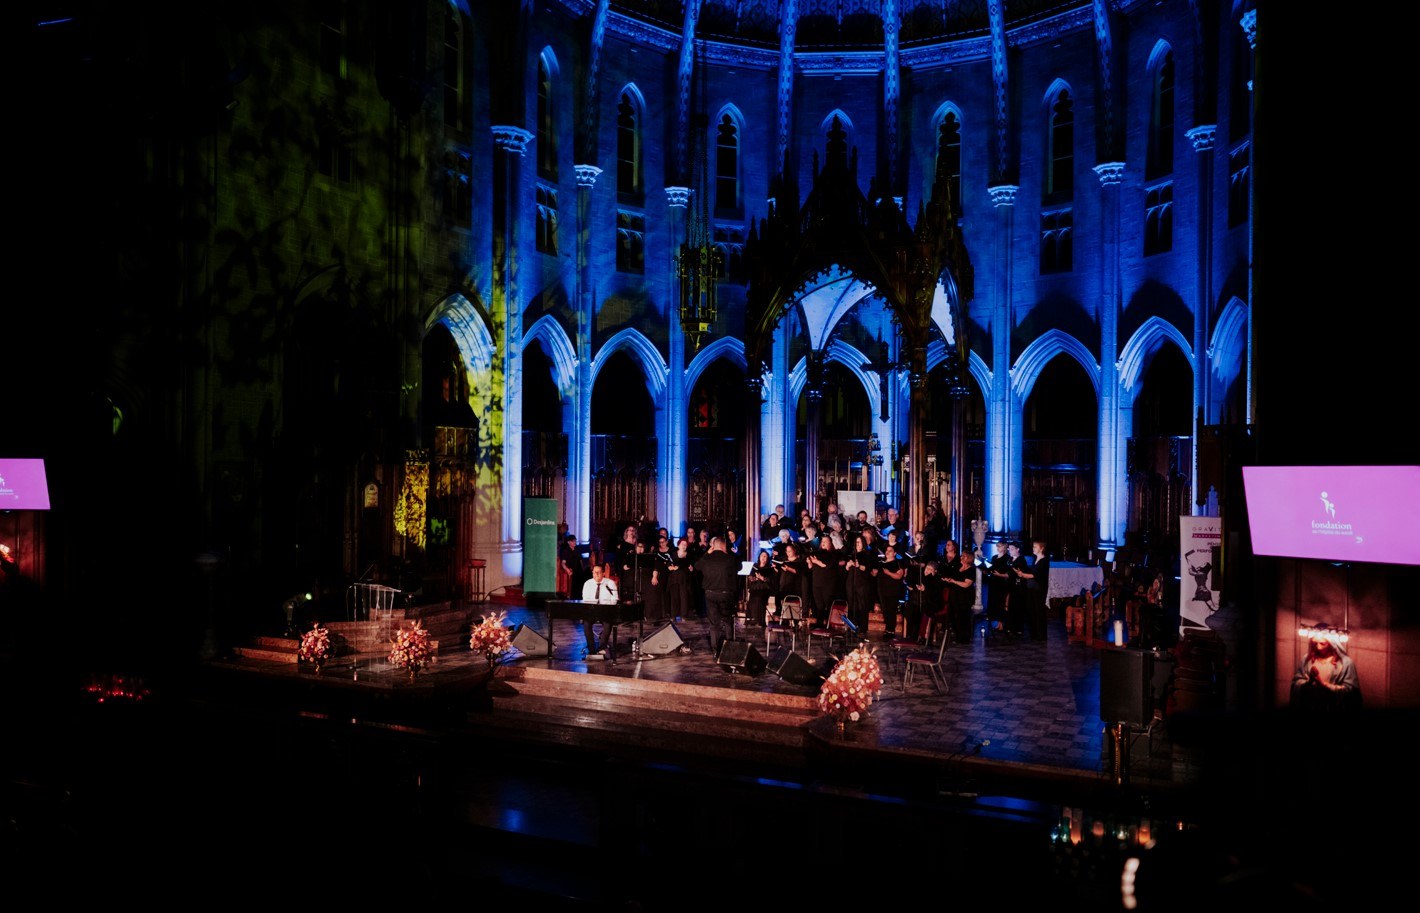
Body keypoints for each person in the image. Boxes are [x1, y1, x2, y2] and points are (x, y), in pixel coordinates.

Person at [1290, 625, 1362, 711]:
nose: (1318, 647)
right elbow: (1296, 682)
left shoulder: (1345, 663)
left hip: (1332, 707)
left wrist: (1323, 684)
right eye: (1315, 643)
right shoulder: (1307, 659)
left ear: (1332, 644)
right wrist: (1309, 682)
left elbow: (1351, 692)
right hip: (1310, 706)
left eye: (1322, 643)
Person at [697, 536, 742, 657]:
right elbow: (740, 567)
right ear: (724, 546)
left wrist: (707, 553)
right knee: (728, 621)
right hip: (726, 594)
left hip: (710, 594)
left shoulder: (707, 559)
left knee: (714, 623)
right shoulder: (730, 559)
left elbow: (697, 566)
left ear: (713, 546)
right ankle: (729, 648)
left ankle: (715, 650)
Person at [579, 562, 620, 660]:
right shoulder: (588, 584)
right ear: (592, 573)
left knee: (607, 622)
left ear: (603, 573)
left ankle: (602, 647)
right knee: (586, 623)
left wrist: (605, 608)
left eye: (599, 572)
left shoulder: (610, 583)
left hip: (605, 611)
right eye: (595, 572)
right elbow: (585, 599)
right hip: (592, 611)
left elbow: (614, 600)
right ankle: (591, 649)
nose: (596, 574)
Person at [1014, 538, 1051, 642]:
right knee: (1032, 611)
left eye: (1035, 547)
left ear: (1042, 548)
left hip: (1039, 590)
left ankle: (1041, 636)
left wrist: (1022, 575)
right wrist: (1022, 572)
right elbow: (1032, 571)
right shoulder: (1036, 559)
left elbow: (1036, 575)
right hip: (1032, 589)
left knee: (1038, 612)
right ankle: (1034, 635)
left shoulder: (1044, 561)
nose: (1033, 548)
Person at [944, 549, 977, 643]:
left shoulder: (971, 570)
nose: (961, 557)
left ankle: (964, 638)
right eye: (961, 555)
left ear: (969, 558)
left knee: (963, 617)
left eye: (964, 556)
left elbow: (966, 584)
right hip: (955, 595)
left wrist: (954, 581)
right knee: (954, 616)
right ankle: (957, 635)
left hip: (964, 597)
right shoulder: (958, 568)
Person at [746, 550, 775, 626]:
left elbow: (771, 581)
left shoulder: (770, 569)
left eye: (765, 556)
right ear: (759, 557)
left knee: (758, 598)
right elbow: (750, 577)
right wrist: (752, 578)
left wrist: (762, 578)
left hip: (764, 588)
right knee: (752, 597)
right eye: (762, 556)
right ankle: (752, 619)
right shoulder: (754, 566)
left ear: (767, 559)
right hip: (755, 588)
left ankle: (759, 620)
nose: (763, 558)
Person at [1184, 548, 1216, 613]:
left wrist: (1189, 566)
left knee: (1211, 605)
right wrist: (1187, 560)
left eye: (1203, 565)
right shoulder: (1200, 572)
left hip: (1202, 591)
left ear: (1204, 568)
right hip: (1202, 590)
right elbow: (1192, 566)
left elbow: (1191, 572)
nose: (1200, 565)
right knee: (1211, 605)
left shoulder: (1202, 574)